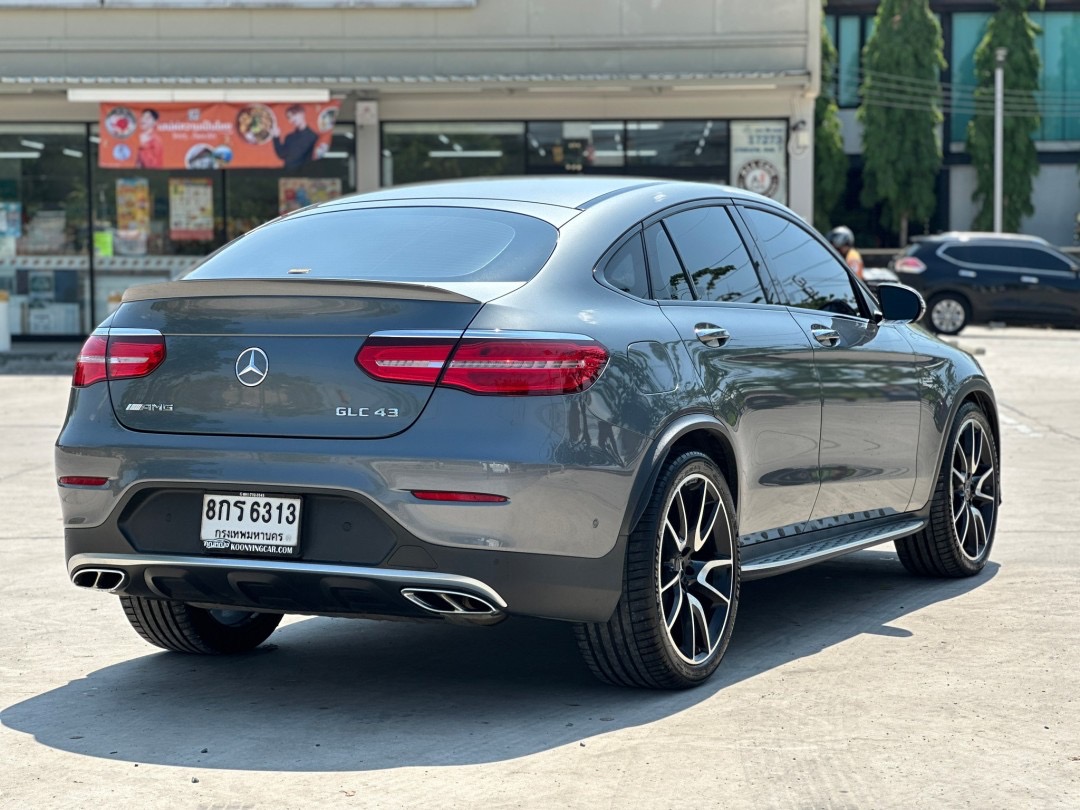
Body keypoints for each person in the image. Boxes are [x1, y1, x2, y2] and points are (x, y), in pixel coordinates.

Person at [271, 105, 318, 169]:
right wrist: (276, 137)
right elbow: (282, 154)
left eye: (294, 114)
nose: (292, 119)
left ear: (302, 114)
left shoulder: (314, 137)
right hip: (288, 174)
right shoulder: (289, 137)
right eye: (289, 117)